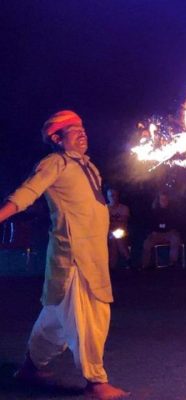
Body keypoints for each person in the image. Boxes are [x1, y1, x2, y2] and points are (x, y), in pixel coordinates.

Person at [0, 110, 128, 399]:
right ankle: (96, 383)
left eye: (83, 127)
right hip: (74, 259)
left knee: (54, 320)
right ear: (57, 138)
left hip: (92, 257)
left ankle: (31, 368)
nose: (82, 132)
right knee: (90, 316)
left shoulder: (90, 167)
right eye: (73, 129)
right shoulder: (55, 162)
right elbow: (27, 193)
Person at [141, 191, 182, 269]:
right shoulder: (153, 211)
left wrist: (173, 229)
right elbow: (149, 224)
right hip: (156, 233)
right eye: (162, 199)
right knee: (146, 243)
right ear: (158, 200)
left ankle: (173, 262)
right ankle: (145, 265)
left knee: (175, 239)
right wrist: (152, 232)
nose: (164, 201)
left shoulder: (173, 210)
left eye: (165, 199)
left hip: (169, 233)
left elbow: (176, 222)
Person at [107, 188, 131, 269]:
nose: (113, 197)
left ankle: (113, 265)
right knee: (113, 239)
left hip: (122, 231)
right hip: (109, 232)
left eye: (114, 195)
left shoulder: (124, 208)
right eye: (111, 195)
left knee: (116, 238)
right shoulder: (105, 208)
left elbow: (124, 223)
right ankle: (127, 260)